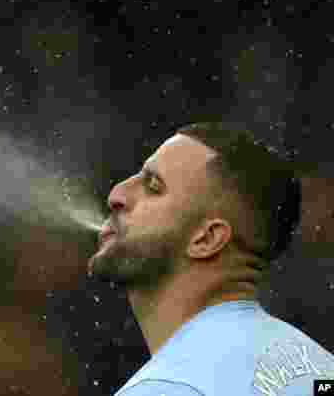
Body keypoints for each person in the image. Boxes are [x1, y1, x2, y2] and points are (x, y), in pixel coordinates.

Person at [87, 122, 334, 395]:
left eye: (153, 186)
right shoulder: (321, 369)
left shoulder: (168, 387)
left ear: (207, 239)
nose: (116, 195)